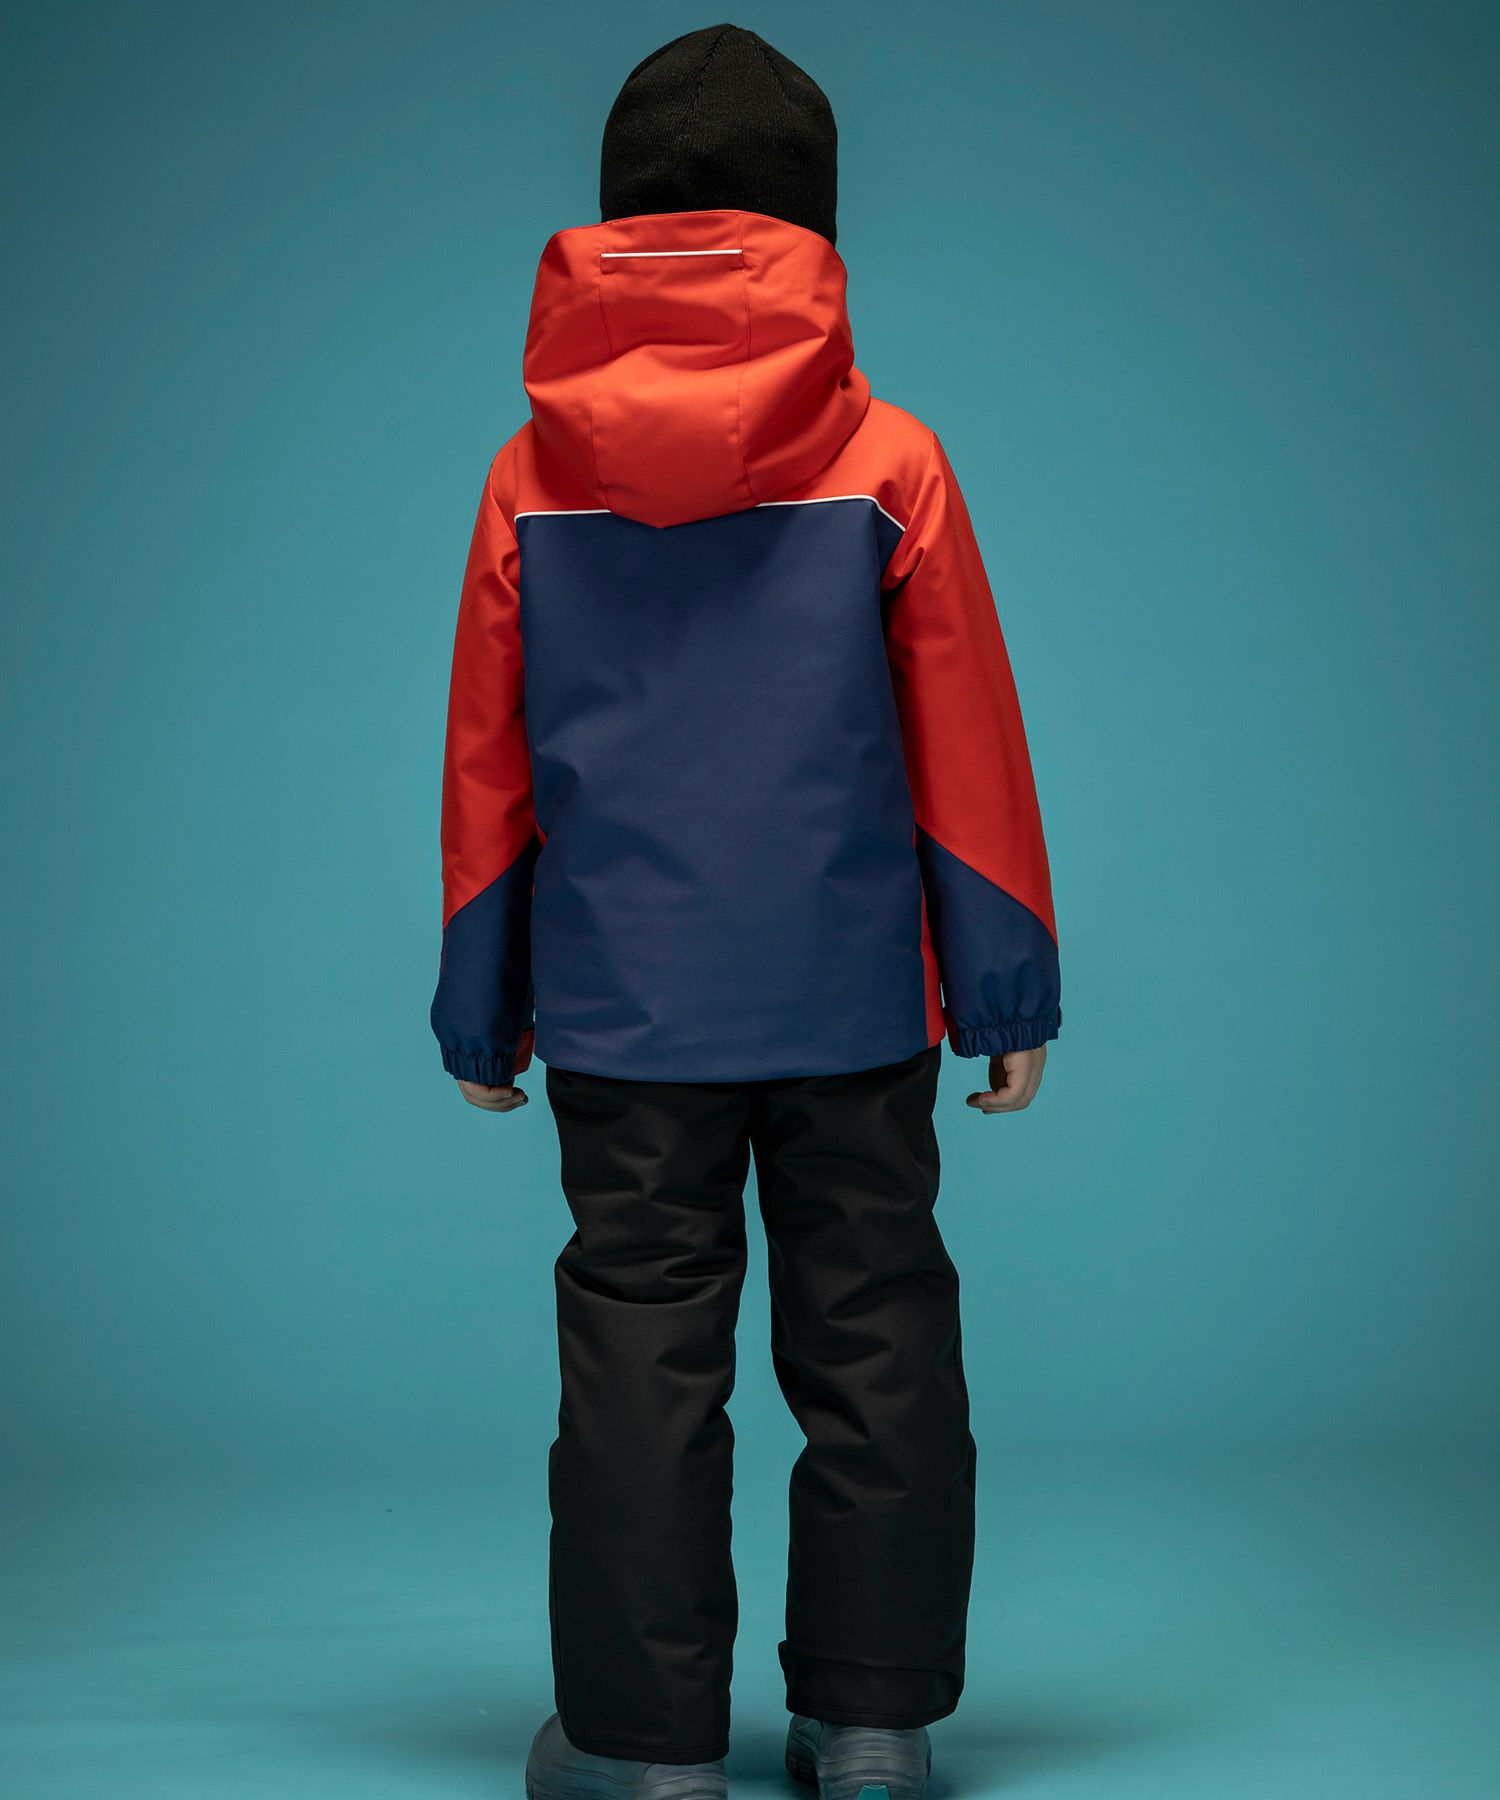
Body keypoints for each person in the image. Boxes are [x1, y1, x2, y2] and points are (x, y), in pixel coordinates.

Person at [429, 24, 1061, 1800]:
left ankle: (644, 1755)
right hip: (853, 1001)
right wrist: (1003, 992)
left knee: (640, 1352)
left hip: (625, 1009)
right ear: (815, 229)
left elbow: (490, 760)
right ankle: (872, 1727)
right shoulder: (894, 461)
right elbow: (966, 743)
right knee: (878, 1336)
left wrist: (484, 1000)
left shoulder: (528, 476)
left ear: (614, 221)